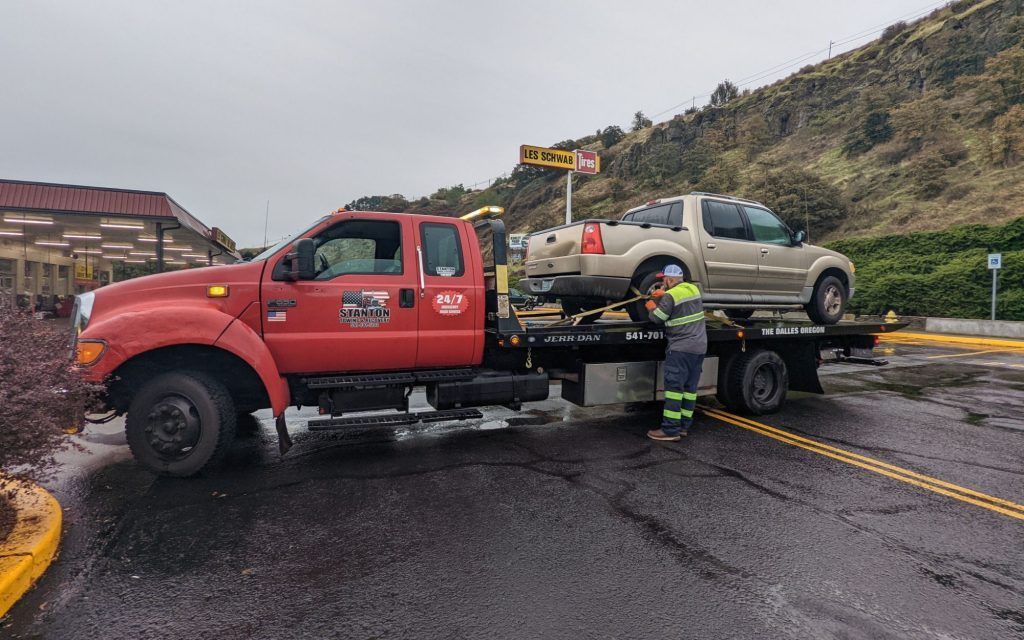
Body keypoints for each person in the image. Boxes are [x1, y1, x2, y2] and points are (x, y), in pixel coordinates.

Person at [645, 264, 707, 441]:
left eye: (664, 279)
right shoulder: (693, 290)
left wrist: (652, 306)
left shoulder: (671, 296)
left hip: (681, 349)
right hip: (699, 348)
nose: (662, 282)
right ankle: (683, 427)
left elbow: (658, 318)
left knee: (674, 390)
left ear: (670, 279)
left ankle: (670, 430)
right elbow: (680, 304)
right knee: (689, 390)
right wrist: (664, 294)